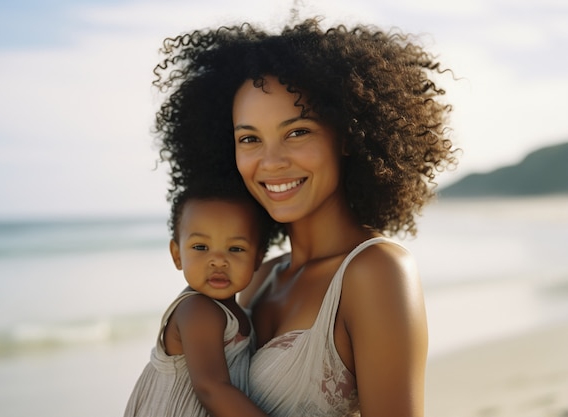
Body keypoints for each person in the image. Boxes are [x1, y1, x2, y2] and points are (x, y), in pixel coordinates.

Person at [152, 16, 459, 417]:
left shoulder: (376, 272)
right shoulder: (261, 277)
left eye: (297, 132)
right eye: (249, 139)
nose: (271, 162)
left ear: (347, 135)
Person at [123, 181, 275, 417]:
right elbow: (211, 388)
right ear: (177, 255)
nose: (217, 260)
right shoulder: (198, 310)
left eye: (235, 249)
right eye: (201, 247)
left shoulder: (237, 311)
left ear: (257, 258)